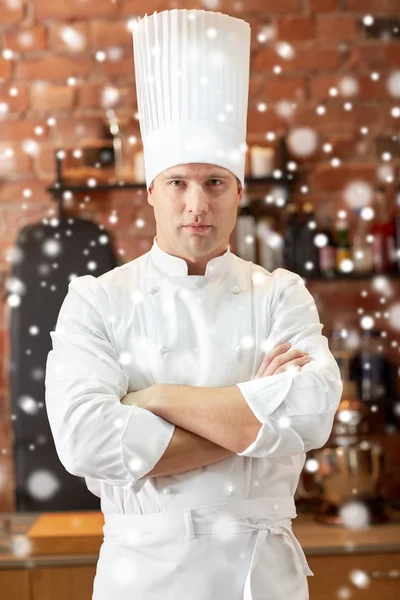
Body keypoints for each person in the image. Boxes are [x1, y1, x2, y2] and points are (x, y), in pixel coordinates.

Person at [45, 8, 343, 600]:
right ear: (151, 191)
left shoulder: (280, 293)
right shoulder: (97, 299)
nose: (196, 205)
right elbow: (84, 440)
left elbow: (310, 415)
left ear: (239, 191)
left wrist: (156, 400)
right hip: (144, 577)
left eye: (214, 182)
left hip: (260, 577)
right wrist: (253, 417)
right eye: (179, 182)